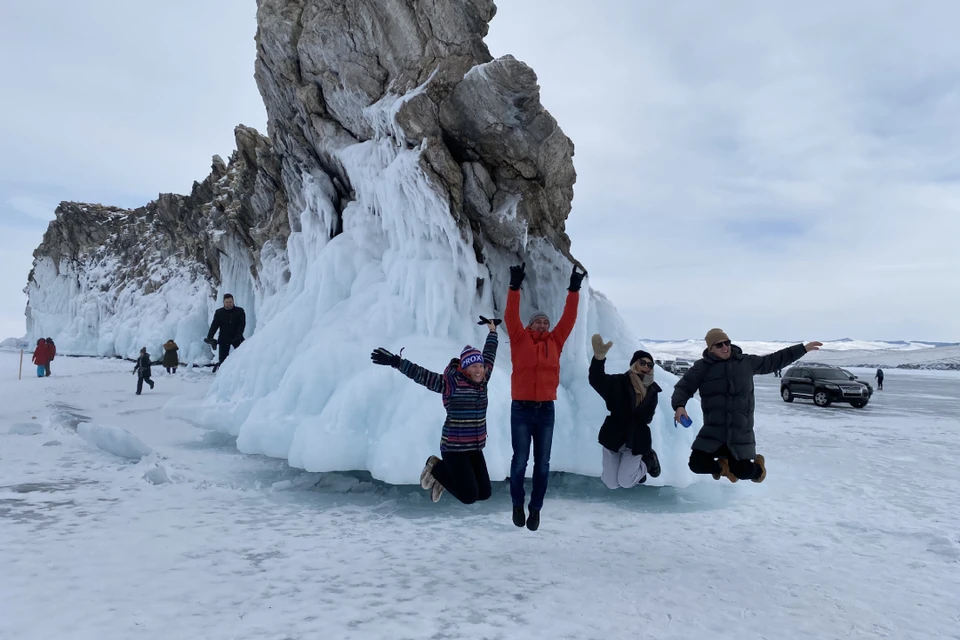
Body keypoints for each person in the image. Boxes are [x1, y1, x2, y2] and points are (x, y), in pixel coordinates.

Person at [370, 316, 500, 504]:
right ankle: (436, 468)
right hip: (454, 448)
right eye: (474, 366)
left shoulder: (484, 378)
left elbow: (489, 354)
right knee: (469, 496)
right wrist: (396, 361)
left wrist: (492, 331)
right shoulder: (451, 383)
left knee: (485, 493)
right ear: (465, 368)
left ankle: (444, 479)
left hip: (475, 446)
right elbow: (422, 375)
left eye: (480, 366)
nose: (479, 370)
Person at [672, 329, 823, 483]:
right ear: (710, 348)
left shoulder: (745, 362)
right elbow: (683, 387)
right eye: (719, 345)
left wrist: (802, 349)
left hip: (739, 432)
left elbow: (772, 361)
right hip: (714, 431)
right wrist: (679, 405)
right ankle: (723, 467)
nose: (725, 347)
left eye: (727, 343)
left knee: (743, 472)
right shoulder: (702, 367)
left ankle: (759, 468)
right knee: (697, 464)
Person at [506, 261, 586, 531]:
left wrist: (573, 290)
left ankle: (535, 508)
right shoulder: (520, 340)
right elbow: (511, 317)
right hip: (521, 409)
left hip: (546, 411)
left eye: (545, 322)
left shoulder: (555, 342)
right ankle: (517, 503)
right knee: (519, 461)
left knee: (542, 464)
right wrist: (514, 287)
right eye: (538, 321)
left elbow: (568, 320)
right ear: (530, 325)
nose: (542, 324)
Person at [588, 335, 662, 489]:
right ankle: (634, 470)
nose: (646, 367)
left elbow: (648, 417)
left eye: (650, 365)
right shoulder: (618, 382)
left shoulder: (653, 390)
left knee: (626, 481)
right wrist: (599, 358)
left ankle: (648, 461)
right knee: (611, 483)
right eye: (643, 363)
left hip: (636, 439)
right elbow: (596, 379)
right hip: (613, 435)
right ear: (635, 364)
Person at [205, 294, 246, 372]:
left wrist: (239, 334)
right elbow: (214, 325)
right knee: (222, 360)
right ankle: (222, 374)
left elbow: (242, 324)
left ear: (233, 301)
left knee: (243, 356)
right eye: (227, 302)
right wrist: (210, 337)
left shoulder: (239, 311)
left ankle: (242, 372)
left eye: (230, 302)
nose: (229, 303)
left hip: (237, 337)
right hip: (224, 338)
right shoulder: (219, 312)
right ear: (223, 302)